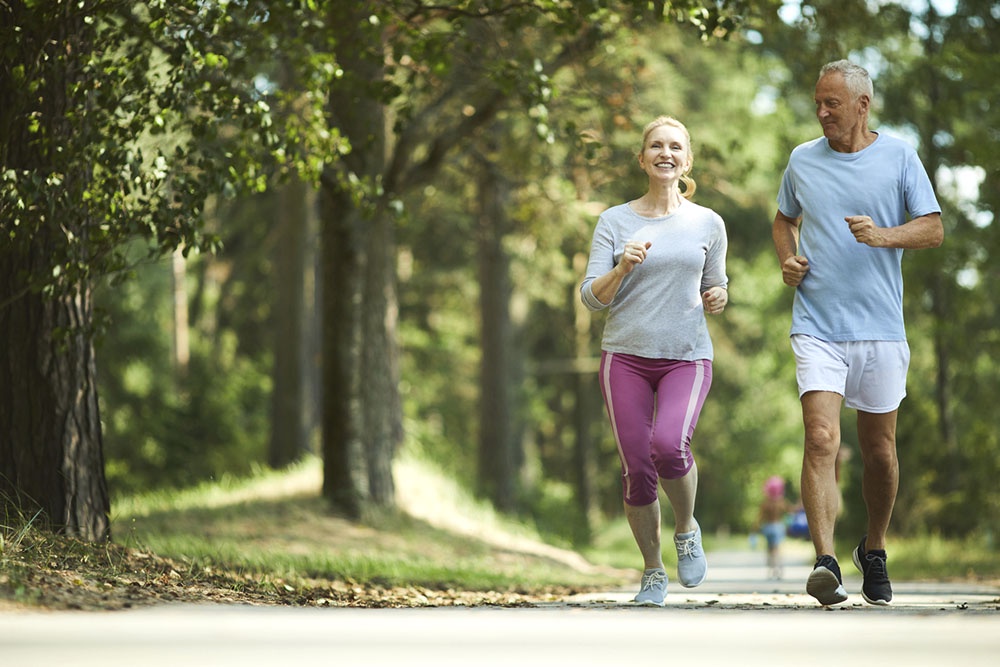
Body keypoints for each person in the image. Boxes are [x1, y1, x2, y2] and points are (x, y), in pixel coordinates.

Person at [771, 60, 943, 606]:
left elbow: (934, 228)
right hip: (817, 323)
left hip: (881, 328)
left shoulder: (899, 156)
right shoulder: (802, 159)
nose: (821, 112)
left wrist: (884, 235)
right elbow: (783, 220)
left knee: (880, 453)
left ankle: (874, 548)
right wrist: (788, 260)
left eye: (832, 104)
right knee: (821, 438)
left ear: (862, 105)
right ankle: (824, 562)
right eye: (817, 103)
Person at [581, 115, 729, 606]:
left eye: (675, 147)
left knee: (669, 446)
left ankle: (686, 528)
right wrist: (622, 267)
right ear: (642, 158)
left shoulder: (708, 222)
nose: (665, 153)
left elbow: (716, 283)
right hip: (624, 356)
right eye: (656, 146)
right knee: (637, 469)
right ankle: (652, 570)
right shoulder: (614, 221)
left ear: (687, 160)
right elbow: (590, 298)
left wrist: (718, 297)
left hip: (686, 357)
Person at [756, 476, 793, 580]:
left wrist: (755, 528)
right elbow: (790, 511)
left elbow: (760, 517)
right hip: (778, 526)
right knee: (777, 549)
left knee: (769, 549)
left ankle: (771, 570)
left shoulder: (766, 503)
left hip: (768, 527)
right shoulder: (781, 502)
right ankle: (779, 568)